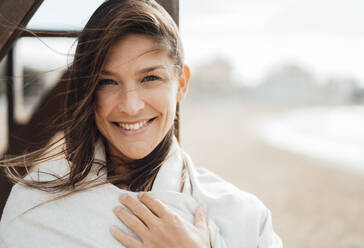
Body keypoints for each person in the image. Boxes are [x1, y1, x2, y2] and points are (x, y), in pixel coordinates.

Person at [0, 0, 282, 247]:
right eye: (107, 82)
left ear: (181, 84)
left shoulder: (244, 217)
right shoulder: (33, 207)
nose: (131, 106)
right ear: (89, 91)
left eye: (150, 78)